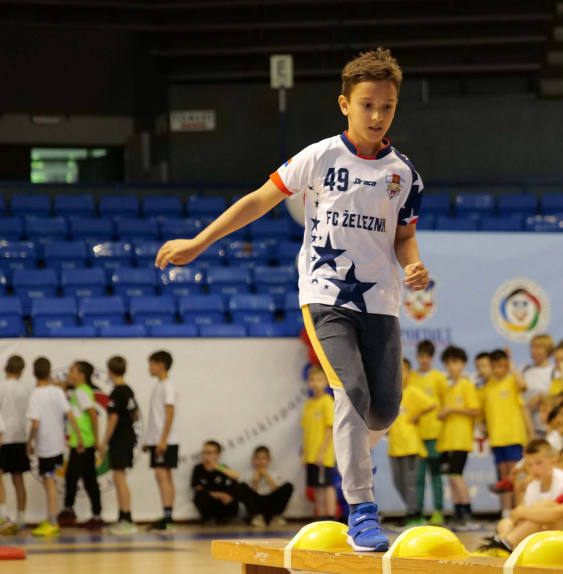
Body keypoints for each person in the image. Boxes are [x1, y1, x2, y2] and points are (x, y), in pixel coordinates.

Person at [155, 48, 427, 552]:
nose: (377, 115)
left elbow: (404, 236)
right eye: (367, 105)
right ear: (344, 104)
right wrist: (199, 242)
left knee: (385, 411)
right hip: (325, 296)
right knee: (352, 393)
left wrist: (412, 262)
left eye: (387, 106)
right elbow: (258, 200)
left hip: (381, 302)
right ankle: (362, 511)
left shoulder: (404, 174)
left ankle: (353, 456)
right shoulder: (319, 156)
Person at [26, 357, 82, 538]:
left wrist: (29, 442)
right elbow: (70, 415)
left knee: (49, 481)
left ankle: (52, 521)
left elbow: (35, 423)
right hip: (57, 445)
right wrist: (79, 437)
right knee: (49, 480)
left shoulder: (36, 394)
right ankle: (50, 517)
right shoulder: (57, 392)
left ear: (34, 373)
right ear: (49, 373)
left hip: (46, 445)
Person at [482, 349, 531, 518]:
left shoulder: (511, 382)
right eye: (494, 366)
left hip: (514, 436)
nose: (497, 370)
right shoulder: (487, 387)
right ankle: (506, 512)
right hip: (497, 439)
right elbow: (482, 413)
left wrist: (512, 367)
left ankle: (520, 510)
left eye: (501, 366)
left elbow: (523, 386)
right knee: (504, 477)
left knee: (517, 474)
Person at [437, 345, 480, 530]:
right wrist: (443, 413)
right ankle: (458, 515)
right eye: (447, 363)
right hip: (447, 441)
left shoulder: (466, 385)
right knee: (451, 478)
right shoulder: (447, 388)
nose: (451, 366)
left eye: (454, 362)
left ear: (463, 364)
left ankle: (468, 515)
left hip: (460, 440)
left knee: (456, 477)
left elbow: (475, 411)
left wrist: (452, 409)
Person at [388, 358, 434, 528]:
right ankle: (412, 512)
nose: (400, 374)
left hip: (410, 445)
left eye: (403, 370)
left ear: (408, 373)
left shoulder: (412, 391)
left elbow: (431, 404)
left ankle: (414, 515)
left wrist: (416, 416)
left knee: (410, 483)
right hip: (395, 446)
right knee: (398, 482)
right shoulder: (390, 394)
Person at [495, 439, 563, 538]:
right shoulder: (533, 485)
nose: (534, 469)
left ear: (552, 462)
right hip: (534, 529)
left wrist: (523, 513)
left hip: (558, 530)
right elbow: (517, 513)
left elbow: (558, 516)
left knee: (535, 521)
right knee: (504, 523)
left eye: (539, 463)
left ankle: (505, 541)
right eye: (529, 465)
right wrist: (520, 515)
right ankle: (507, 540)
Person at [98, 356, 140, 536]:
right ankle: (123, 517)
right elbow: (136, 414)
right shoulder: (128, 390)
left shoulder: (116, 393)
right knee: (119, 477)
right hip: (128, 437)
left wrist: (103, 442)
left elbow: (113, 418)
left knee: (119, 477)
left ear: (110, 371)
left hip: (120, 440)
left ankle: (126, 519)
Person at [58, 361, 103, 531]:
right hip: (82, 442)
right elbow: (63, 385)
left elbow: (93, 415)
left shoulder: (81, 392)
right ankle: (96, 516)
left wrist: (96, 440)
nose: (68, 374)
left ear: (82, 375)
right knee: (89, 479)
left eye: (72, 371)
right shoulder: (79, 390)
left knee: (72, 476)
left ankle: (68, 510)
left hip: (82, 443)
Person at [408, 340, 447, 526]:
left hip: (435, 435)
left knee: (436, 475)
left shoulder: (439, 378)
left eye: (428, 356)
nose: (424, 360)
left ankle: (438, 511)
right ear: (417, 356)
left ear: (432, 358)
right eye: (421, 356)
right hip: (415, 436)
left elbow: (445, 405)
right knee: (417, 477)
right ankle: (418, 513)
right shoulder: (411, 378)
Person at [144, 350, 179, 532]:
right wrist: (149, 440)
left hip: (165, 439)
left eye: (151, 364)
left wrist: (163, 440)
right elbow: (155, 416)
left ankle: (167, 517)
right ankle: (167, 516)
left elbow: (169, 413)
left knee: (162, 475)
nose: (149, 368)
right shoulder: (159, 386)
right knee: (164, 475)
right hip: (158, 439)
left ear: (161, 365)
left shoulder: (167, 386)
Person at [301, 365, 336, 521]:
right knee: (317, 487)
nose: (315, 383)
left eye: (319, 380)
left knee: (327, 485)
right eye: (312, 380)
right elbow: (306, 431)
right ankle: (320, 516)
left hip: (323, 455)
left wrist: (322, 452)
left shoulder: (327, 401)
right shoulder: (309, 404)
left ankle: (331, 517)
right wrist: (304, 453)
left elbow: (330, 428)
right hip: (311, 455)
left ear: (326, 382)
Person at [0, 355, 29, 534]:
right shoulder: (25, 389)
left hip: (3, 437)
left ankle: (3, 517)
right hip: (19, 437)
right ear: (21, 371)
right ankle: (21, 519)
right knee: (18, 479)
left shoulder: (1, 387)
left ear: (5, 369)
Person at [241, 446, 294, 527]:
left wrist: (266, 475)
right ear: (253, 460)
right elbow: (250, 495)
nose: (260, 461)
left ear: (269, 460)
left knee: (288, 486)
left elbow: (277, 491)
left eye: (263, 458)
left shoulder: (275, 475)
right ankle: (257, 517)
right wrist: (256, 479)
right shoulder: (248, 475)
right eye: (257, 458)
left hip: (271, 503)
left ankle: (275, 517)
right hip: (257, 504)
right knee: (241, 486)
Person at [191, 441, 241, 525]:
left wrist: (217, 466)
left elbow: (236, 476)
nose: (205, 455)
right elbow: (197, 487)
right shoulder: (198, 468)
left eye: (209, 453)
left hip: (224, 502)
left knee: (238, 486)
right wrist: (218, 495)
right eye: (204, 452)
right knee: (200, 495)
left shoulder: (221, 467)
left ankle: (230, 517)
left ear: (218, 455)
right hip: (210, 501)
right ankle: (209, 519)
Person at [522, 334, 555, 436]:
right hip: (526, 428)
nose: (534, 351)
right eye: (532, 347)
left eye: (538, 347)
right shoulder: (524, 370)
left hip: (547, 428)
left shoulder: (554, 372)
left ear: (548, 349)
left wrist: (542, 398)